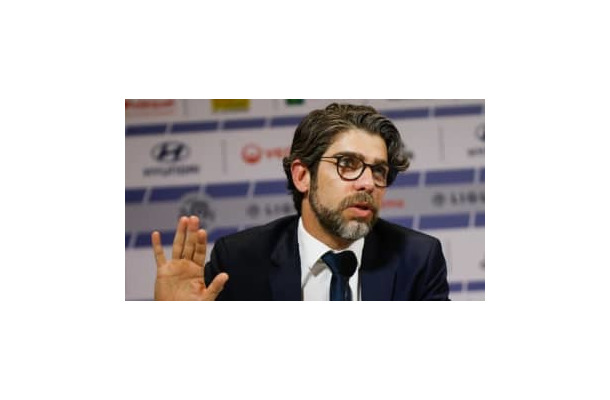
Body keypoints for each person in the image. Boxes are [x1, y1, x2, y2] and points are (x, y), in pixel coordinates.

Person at [151, 103, 449, 300]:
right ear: (302, 176)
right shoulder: (240, 261)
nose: (368, 183)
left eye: (378, 170)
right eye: (348, 164)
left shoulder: (417, 258)